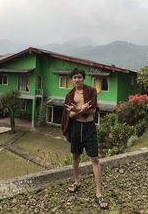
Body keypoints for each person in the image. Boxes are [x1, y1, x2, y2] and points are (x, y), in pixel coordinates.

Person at [61, 68, 109, 209]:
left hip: (89, 128)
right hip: (76, 128)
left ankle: (99, 193)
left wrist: (76, 110)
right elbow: (70, 116)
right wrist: (81, 110)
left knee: (94, 159)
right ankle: (76, 181)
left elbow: (93, 110)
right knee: (75, 156)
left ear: (83, 78)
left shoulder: (91, 91)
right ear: (72, 79)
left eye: (79, 77)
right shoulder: (70, 95)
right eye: (75, 77)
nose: (77, 79)